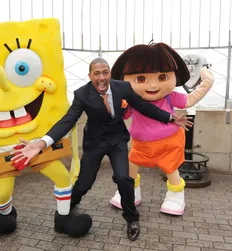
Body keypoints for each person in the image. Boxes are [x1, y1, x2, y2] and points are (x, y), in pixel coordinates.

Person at [11, 58, 190, 241]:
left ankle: (132, 219)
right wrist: (41, 143)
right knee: (84, 183)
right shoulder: (82, 94)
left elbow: (143, 106)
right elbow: (68, 120)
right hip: (95, 142)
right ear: (90, 76)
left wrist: (170, 117)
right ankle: (69, 205)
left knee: (123, 177)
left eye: (105, 72)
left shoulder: (123, 88)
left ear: (110, 74)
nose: (102, 77)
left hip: (117, 140)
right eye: (97, 73)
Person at [109, 42, 213, 216]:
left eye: (162, 77)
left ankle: (175, 196)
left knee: (171, 170)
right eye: (141, 79)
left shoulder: (170, 97)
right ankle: (130, 193)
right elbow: (121, 115)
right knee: (130, 169)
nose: (152, 86)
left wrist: (206, 83)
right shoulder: (132, 100)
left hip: (168, 144)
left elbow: (190, 99)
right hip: (140, 145)